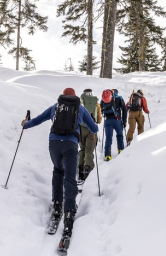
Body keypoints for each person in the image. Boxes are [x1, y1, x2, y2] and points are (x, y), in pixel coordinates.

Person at [22, 87, 99, 235]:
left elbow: (38, 120)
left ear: (63, 96)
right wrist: (93, 124)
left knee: (58, 171)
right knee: (70, 178)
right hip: (70, 145)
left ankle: (57, 205)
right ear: (75, 97)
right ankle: (69, 212)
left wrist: (25, 124)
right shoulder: (81, 109)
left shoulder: (55, 107)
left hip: (54, 144)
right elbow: (94, 129)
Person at [78, 88, 101, 183]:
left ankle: (80, 171)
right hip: (91, 128)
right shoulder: (95, 102)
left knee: (82, 149)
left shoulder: (80, 102)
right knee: (89, 150)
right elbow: (99, 119)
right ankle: (87, 170)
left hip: (81, 128)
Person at [100, 88, 128, 161]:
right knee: (119, 135)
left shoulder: (103, 99)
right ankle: (121, 150)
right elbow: (124, 109)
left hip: (107, 121)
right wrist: (124, 121)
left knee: (108, 138)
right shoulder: (119, 98)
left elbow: (100, 110)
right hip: (117, 120)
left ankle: (107, 155)